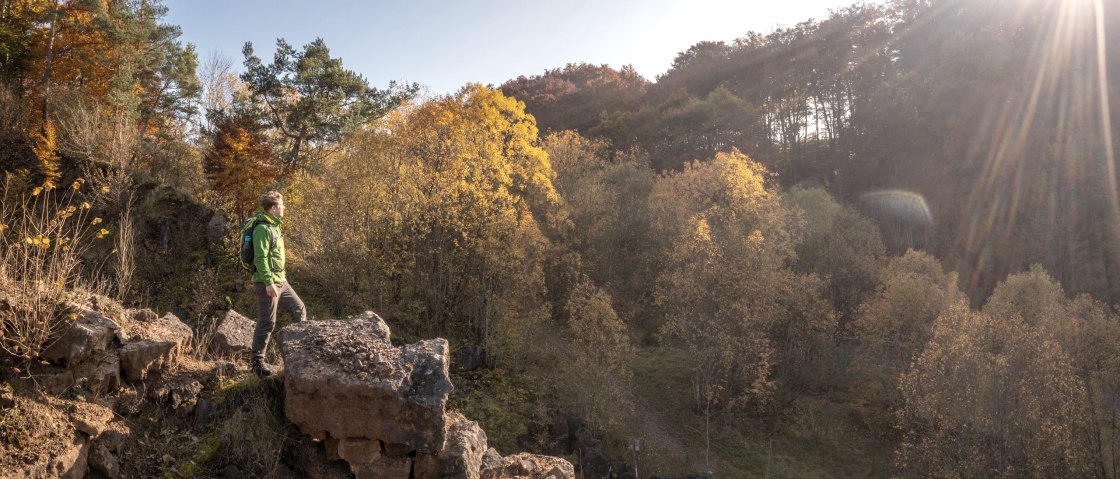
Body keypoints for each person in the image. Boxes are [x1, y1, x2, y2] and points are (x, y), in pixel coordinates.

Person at [250, 191, 305, 376]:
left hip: (282, 281)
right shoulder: (262, 229)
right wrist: (268, 282)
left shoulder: (275, 226)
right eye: (281, 205)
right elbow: (260, 258)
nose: (284, 207)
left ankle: (299, 354)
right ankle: (257, 363)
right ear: (273, 208)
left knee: (299, 309)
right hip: (267, 282)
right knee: (267, 322)